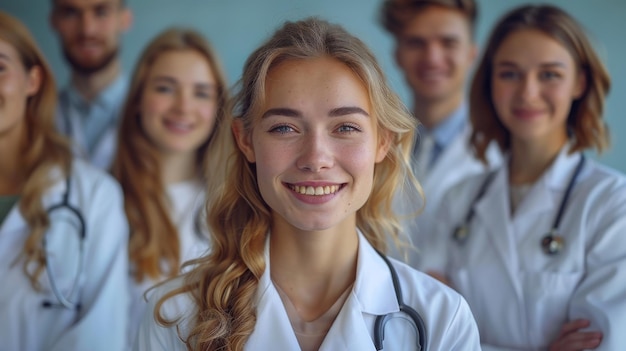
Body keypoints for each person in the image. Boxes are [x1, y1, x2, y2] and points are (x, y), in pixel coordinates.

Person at [133, 17, 480, 351]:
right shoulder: (177, 317)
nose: (316, 158)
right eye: (284, 128)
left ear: (382, 141)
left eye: (345, 127)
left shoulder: (443, 319)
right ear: (246, 140)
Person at [427, 4, 626, 350]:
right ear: (489, 82)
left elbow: (607, 342)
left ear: (579, 82)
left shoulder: (612, 203)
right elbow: (426, 331)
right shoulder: (458, 199)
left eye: (549, 74)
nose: (527, 93)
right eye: (509, 73)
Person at [0, 11, 129, 351]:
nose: (87, 26)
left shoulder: (94, 196)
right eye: (73, 12)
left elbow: (101, 335)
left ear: (32, 80)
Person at [110, 27, 230, 346]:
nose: (183, 107)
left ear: (219, 107)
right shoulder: (100, 202)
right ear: (137, 100)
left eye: (201, 92)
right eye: (165, 88)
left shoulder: (235, 208)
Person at [379, 0, 499, 269]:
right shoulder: (374, 145)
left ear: (472, 53)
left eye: (448, 43)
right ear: (398, 54)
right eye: (416, 42)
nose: (432, 58)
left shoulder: (502, 153)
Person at [50, 0, 133, 170]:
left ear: (125, 19)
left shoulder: (155, 115)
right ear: (54, 21)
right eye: (71, 13)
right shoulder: (35, 117)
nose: (87, 30)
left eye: (101, 12)